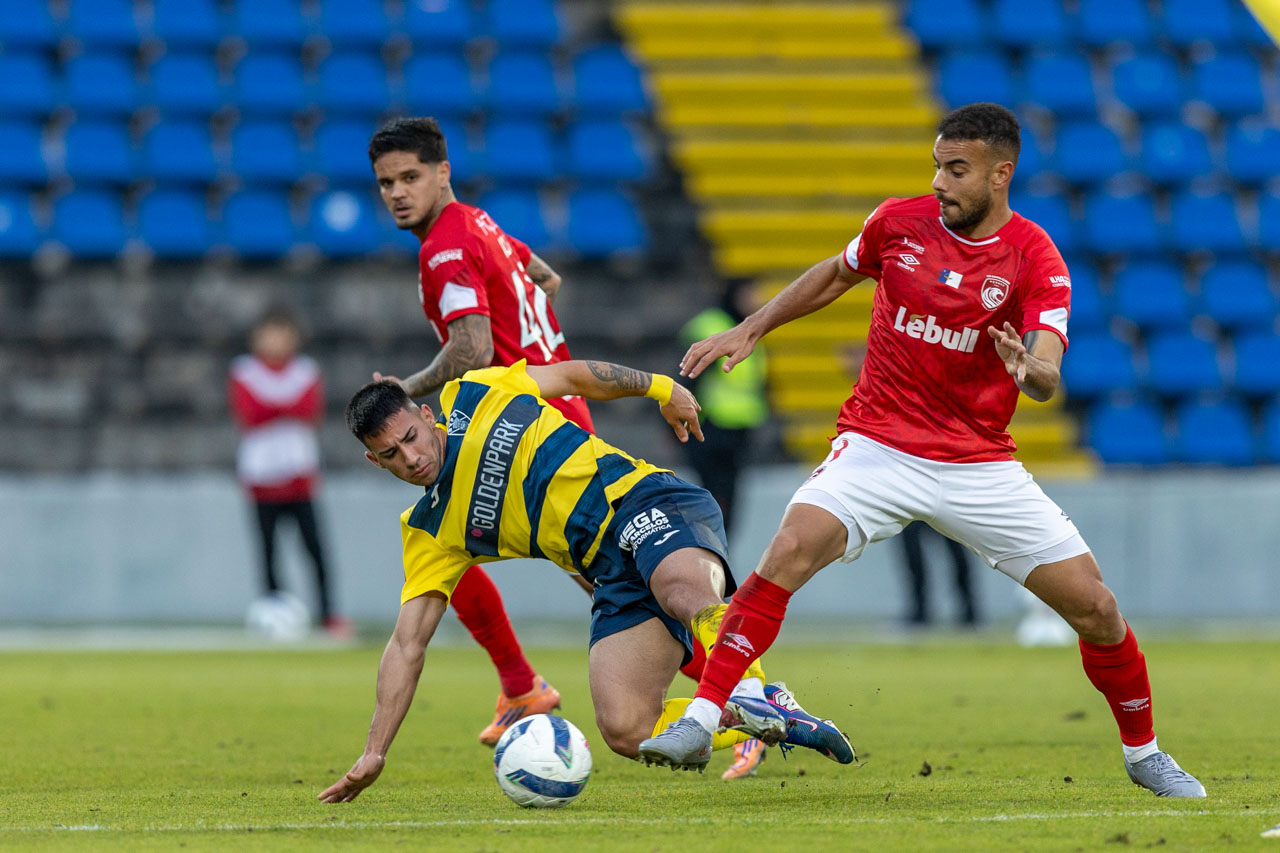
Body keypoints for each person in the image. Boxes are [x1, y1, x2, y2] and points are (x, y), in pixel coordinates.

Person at [640, 103, 1205, 799]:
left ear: (1002, 174)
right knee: (786, 552)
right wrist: (753, 327)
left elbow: (1048, 370)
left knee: (1096, 609)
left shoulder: (1035, 257)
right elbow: (834, 272)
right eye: (937, 165)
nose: (940, 182)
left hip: (978, 464)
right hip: (877, 443)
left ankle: (1144, 752)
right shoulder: (897, 223)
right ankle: (701, 717)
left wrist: (1030, 370)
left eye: (956, 169)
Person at [318, 359, 853, 803]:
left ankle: (751, 687)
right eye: (390, 455)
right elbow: (407, 645)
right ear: (373, 460)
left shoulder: (475, 393)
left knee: (684, 594)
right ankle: (765, 713)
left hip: (647, 502)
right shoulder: (430, 531)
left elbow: (574, 377)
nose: (411, 458)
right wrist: (375, 751)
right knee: (627, 729)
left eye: (411, 437)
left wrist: (662, 388)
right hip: (610, 574)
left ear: (426, 413)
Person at [365, 116, 595, 746]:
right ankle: (521, 686)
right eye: (386, 182)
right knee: (443, 541)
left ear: (443, 173)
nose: (397, 192)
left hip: (536, 430)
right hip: (542, 414)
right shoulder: (480, 224)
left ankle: (739, 690)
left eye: (410, 177)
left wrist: (403, 392)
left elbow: (472, 346)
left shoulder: (443, 247)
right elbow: (546, 279)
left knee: (613, 577)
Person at [228, 307, 352, 638]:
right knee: (268, 551)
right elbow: (249, 413)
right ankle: (272, 613)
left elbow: (309, 410)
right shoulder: (245, 371)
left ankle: (328, 614)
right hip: (262, 475)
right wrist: (286, 408)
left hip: (299, 472)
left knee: (315, 548)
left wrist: (274, 408)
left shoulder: (305, 370)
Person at [841, 342, 979, 627]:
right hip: (909, 478)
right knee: (920, 549)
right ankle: (932, 610)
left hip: (937, 474)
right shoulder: (900, 389)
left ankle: (964, 609)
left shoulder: (914, 384)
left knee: (951, 546)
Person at [678, 278, 769, 537]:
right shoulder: (711, 327)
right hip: (711, 429)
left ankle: (719, 561)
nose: (757, 301)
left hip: (740, 429)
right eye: (751, 293)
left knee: (728, 507)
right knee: (713, 502)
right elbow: (687, 379)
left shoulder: (751, 329)